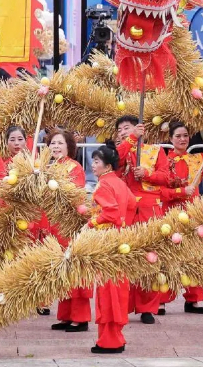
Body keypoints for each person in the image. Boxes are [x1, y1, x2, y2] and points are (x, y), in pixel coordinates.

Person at [159, 122, 203, 315]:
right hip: (171, 213)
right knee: (169, 255)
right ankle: (162, 299)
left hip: (193, 212)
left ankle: (194, 299)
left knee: (194, 254)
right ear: (170, 139)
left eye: (185, 135)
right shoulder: (163, 162)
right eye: (178, 136)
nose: (182, 139)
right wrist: (182, 191)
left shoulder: (199, 158)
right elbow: (160, 192)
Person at [114, 115, 170, 325]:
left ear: (140, 129)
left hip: (149, 207)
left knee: (150, 255)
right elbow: (114, 164)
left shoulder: (155, 151)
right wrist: (129, 141)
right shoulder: (119, 150)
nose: (123, 132)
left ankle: (148, 307)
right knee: (126, 255)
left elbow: (166, 177)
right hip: (126, 207)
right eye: (120, 129)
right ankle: (125, 304)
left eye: (127, 128)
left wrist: (147, 173)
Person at [87, 141, 133, 354]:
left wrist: (92, 222)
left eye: (96, 161)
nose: (93, 165)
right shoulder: (120, 182)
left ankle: (109, 341)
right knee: (118, 288)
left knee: (107, 291)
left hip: (106, 240)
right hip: (120, 240)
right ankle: (116, 337)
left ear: (107, 166)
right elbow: (133, 204)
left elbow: (111, 213)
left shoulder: (104, 184)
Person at [47, 130, 91, 332]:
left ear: (69, 146)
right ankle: (65, 315)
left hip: (69, 223)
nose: (55, 147)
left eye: (59, 143)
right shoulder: (51, 167)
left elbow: (76, 195)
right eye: (52, 143)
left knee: (74, 269)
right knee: (61, 270)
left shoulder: (74, 167)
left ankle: (80, 317)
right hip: (56, 223)